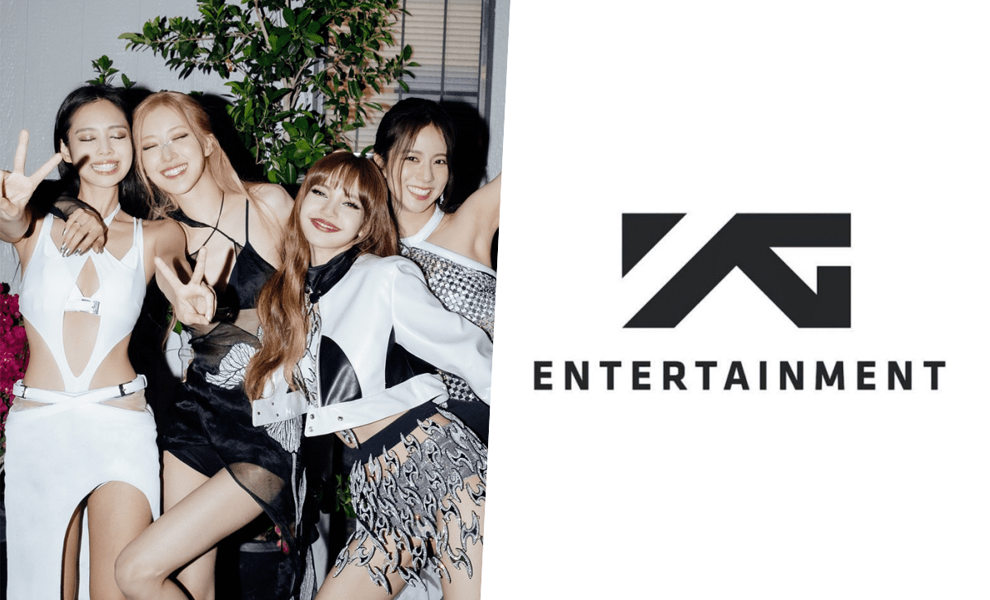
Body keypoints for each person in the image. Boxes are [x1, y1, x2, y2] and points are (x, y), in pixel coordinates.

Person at [242, 152, 492, 600]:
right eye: (319, 192)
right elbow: (283, 410)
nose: (329, 209)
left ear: (365, 225)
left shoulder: (384, 277)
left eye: (349, 203)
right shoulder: (289, 300)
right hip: (377, 489)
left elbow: (472, 356)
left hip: (442, 468)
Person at [112, 91, 313, 600]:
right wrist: (71, 208)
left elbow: (324, 297)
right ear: (140, 163)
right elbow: (77, 217)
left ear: (206, 142)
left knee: (135, 571)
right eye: (150, 146)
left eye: (179, 137)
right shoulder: (165, 237)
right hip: (196, 418)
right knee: (189, 585)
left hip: (266, 429)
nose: (167, 155)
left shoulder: (268, 205)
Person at [0, 85, 189, 600]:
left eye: (117, 136)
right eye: (87, 138)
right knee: (44, 590)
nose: (105, 150)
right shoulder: (35, 226)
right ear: (64, 150)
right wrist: (40, 205)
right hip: (40, 427)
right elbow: (9, 218)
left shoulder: (158, 235)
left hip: (119, 426)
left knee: (116, 590)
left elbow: (194, 281)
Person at [372, 99, 499, 438]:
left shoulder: (470, 222)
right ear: (380, 162)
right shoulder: (364, 255)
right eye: (411, 158)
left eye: (439, 160)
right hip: (417, 438)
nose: (426, 176)